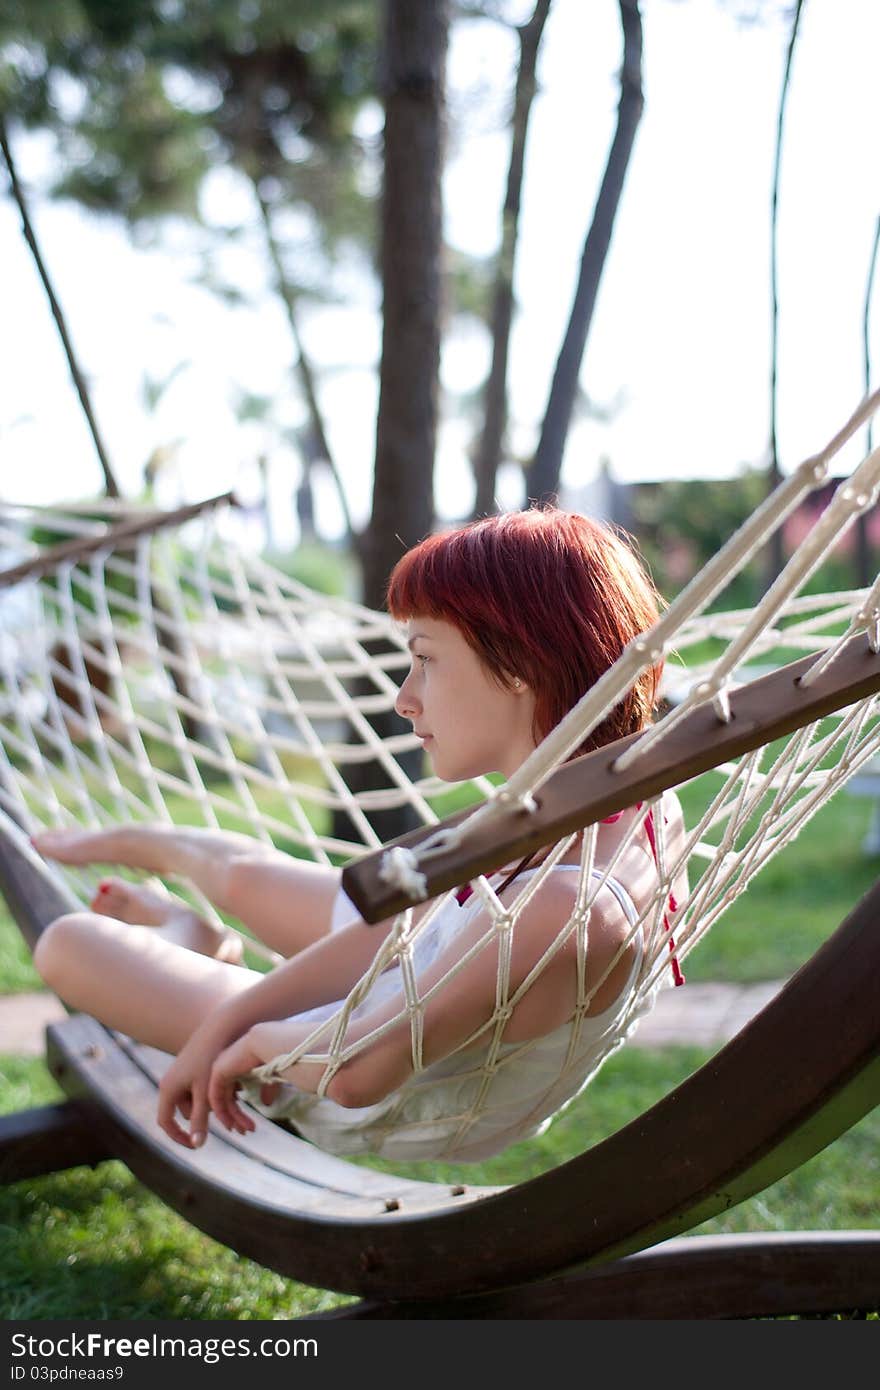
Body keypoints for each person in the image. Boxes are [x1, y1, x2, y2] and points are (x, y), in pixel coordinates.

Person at [31, 507, 686, 1163]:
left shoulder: (566, 906)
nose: (405, 698)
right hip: (408, 969)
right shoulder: (612, 801)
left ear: (518, 665)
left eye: (425, 660)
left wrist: (247, 1039)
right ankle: (161, 863)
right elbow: (395, 935)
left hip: (377, 1081)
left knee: (69, 942)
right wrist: (230, 1020)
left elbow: (355, 1073)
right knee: (245, 874)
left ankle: (189, 943)